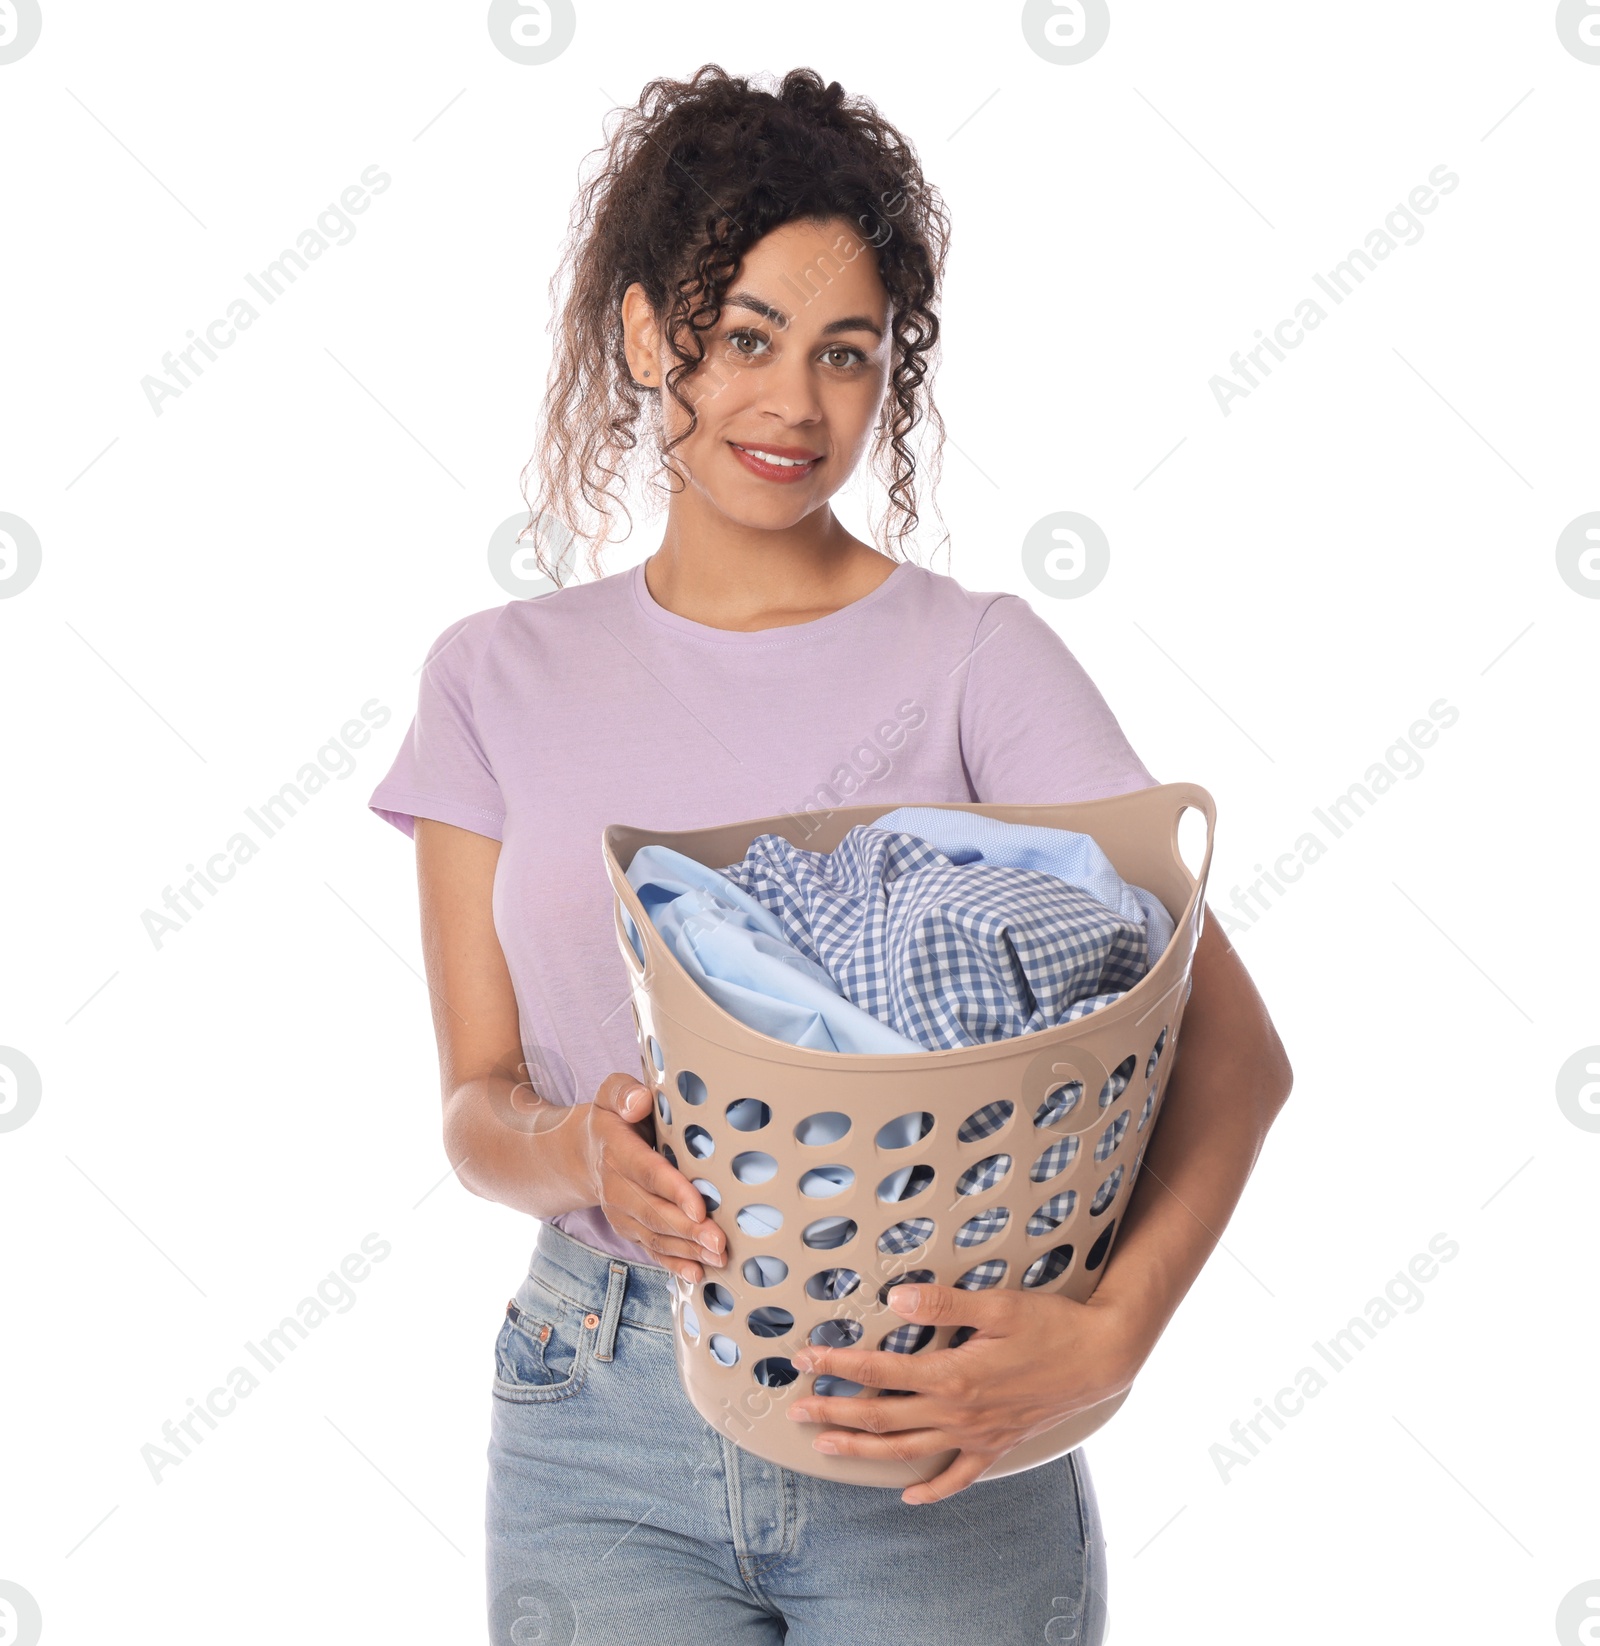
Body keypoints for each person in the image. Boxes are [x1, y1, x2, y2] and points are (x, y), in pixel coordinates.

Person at [368, 64, 1293, 1645]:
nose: (795, 407)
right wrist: (583, 1155)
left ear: (890, 378)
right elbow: (473, 1106)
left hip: (933, 1405)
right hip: (600, 1409)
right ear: (653, 333)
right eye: (745, 340)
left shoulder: (977, 660)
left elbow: (1236, 1052)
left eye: (846, 357)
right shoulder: (491, 676)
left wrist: (1113, 1333)